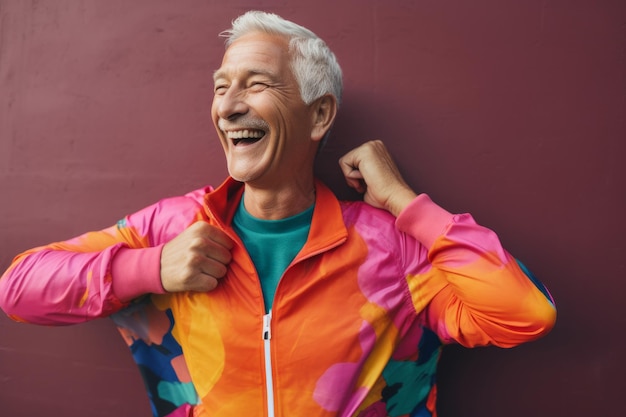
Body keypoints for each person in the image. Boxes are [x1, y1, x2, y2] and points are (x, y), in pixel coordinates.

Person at [0, 10, 556, 417]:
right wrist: (149, 268)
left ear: (318, 115)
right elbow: (18, 288)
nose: (229, 105)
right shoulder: (171, 229)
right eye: (221, 88)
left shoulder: (395, 247)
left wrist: (407, 206)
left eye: (256, 84)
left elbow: (525, 314)